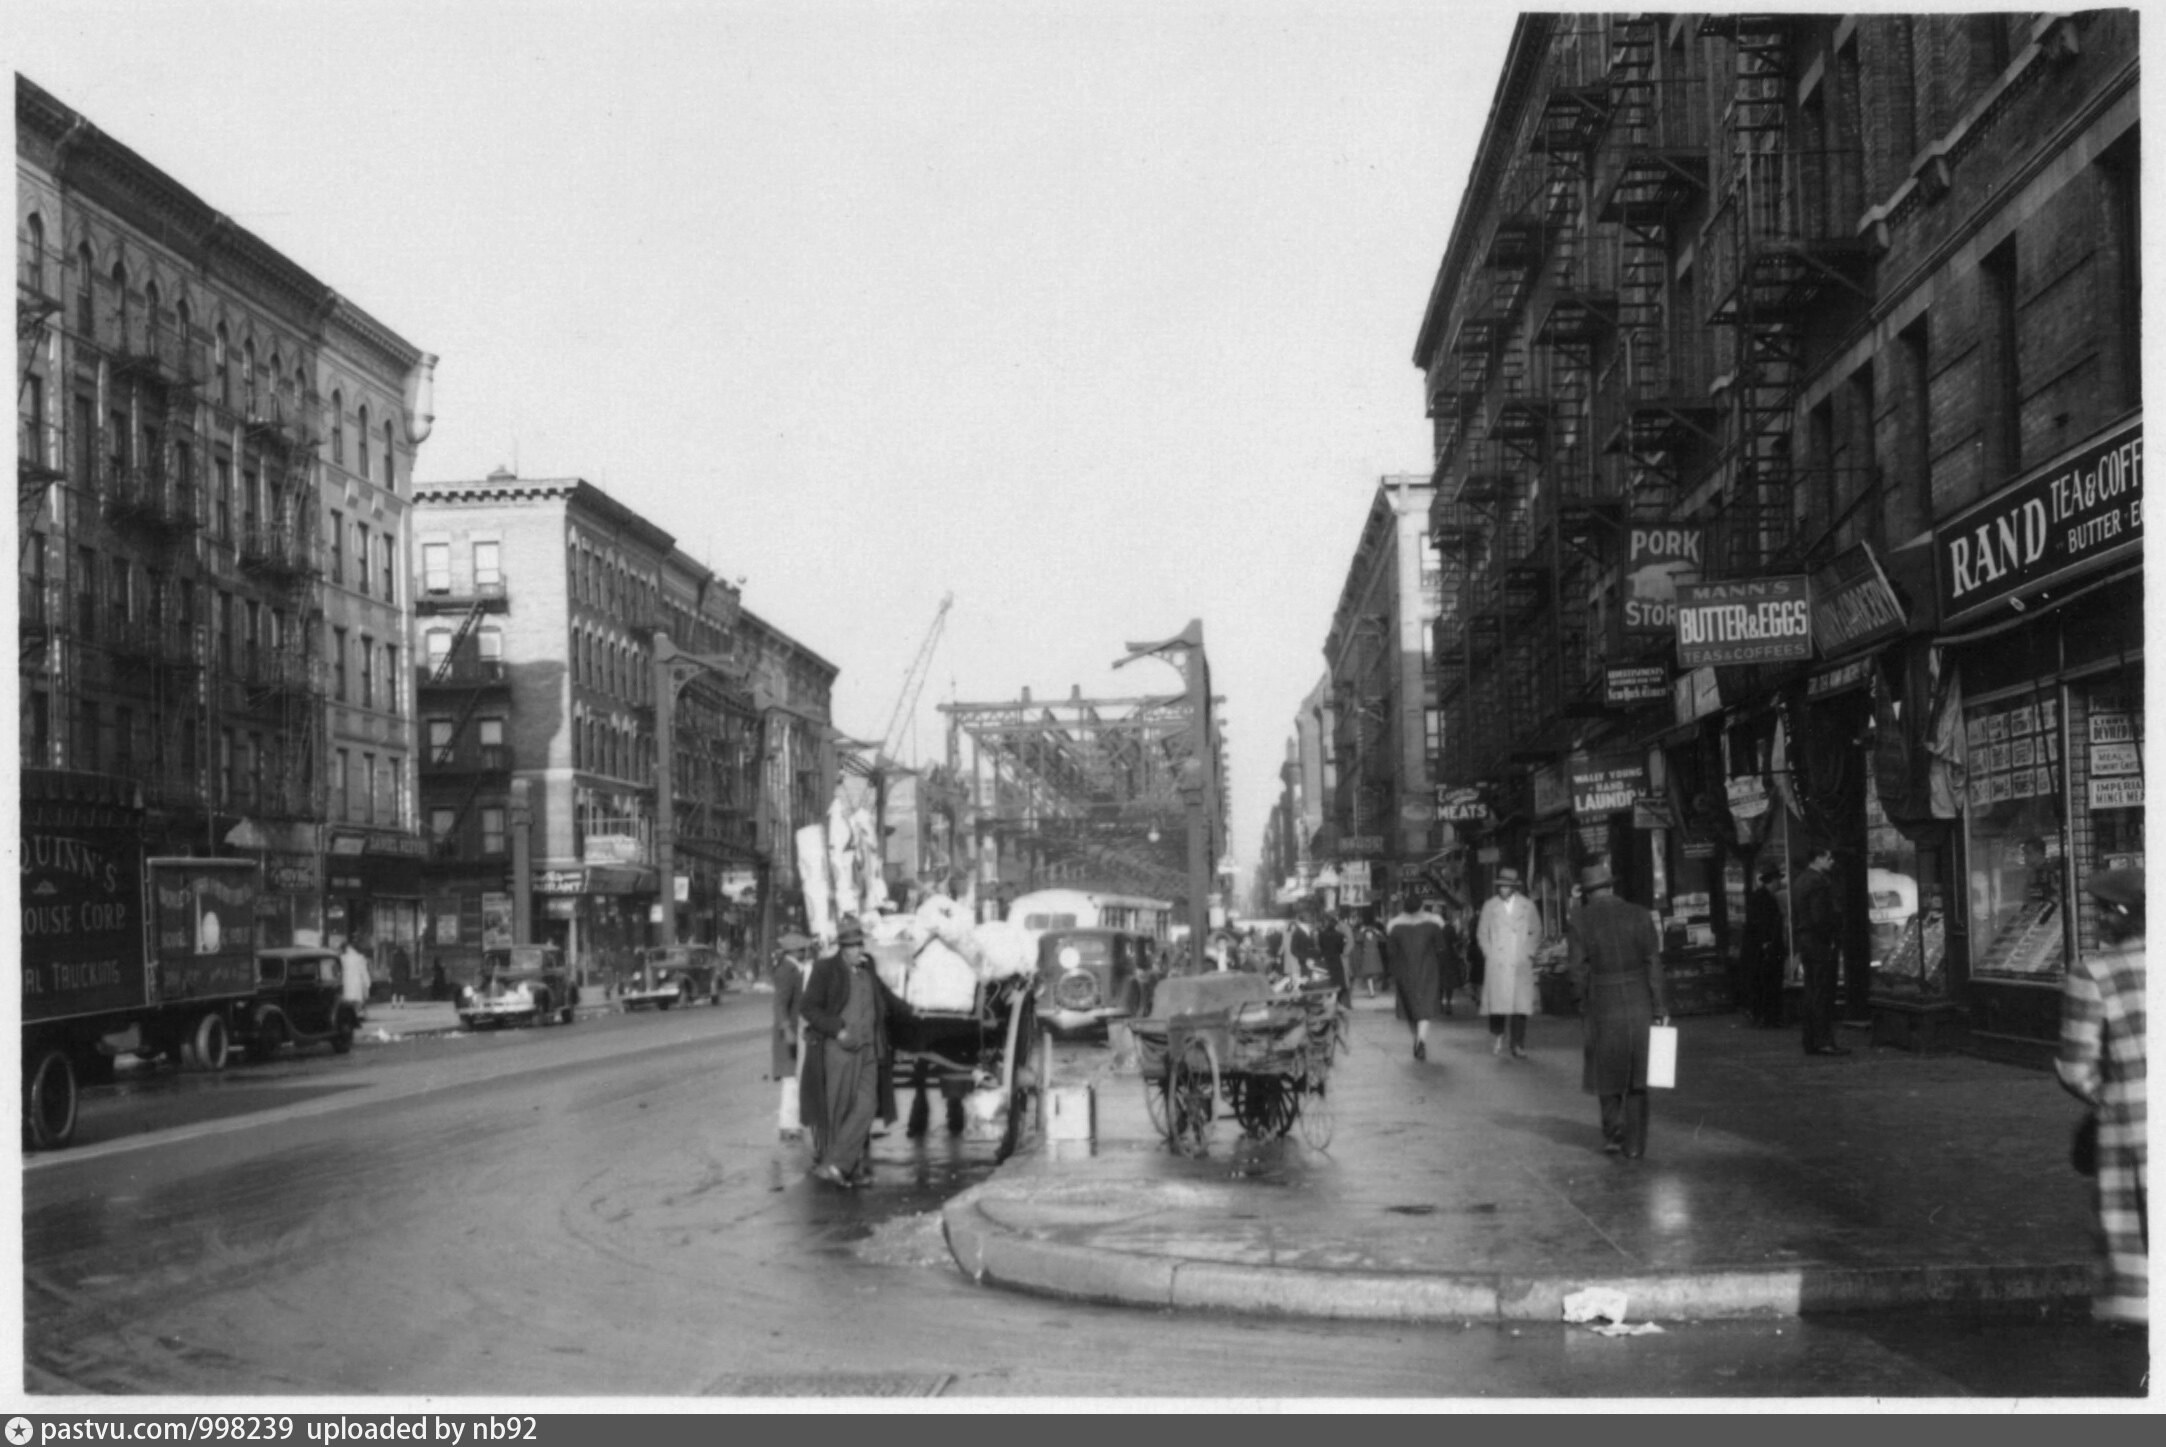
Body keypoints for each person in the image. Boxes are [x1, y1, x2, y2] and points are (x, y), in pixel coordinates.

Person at [2055, 868, 2146, 1326]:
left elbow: (2075, 1069)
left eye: (2104, 910)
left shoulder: (2094, 973)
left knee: (2137, 1241)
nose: (2099, 919)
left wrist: (2114, 1095)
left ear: (2123, 914)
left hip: (2133, 1129)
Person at [1567, 862, 1669, 1159]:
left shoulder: (1580, 920)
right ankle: (1635, 1144)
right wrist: (1660, 1006)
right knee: (1639, 1074)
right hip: (1639, 1000)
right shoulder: (1640, 914)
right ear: (1611, 886)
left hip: (1602, 1001)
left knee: (1606, 1070)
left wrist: (1581, 1002)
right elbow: (1654, 964)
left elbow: (1576, 970)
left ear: (1588, 893)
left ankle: (1614, 1133)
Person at [798, 918, 906, 1188]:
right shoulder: (825, 969)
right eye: (852, 946)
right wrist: (837, 1030)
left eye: (860, 944)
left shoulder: (868, 968)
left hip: (869, 1050)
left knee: (867, 1106)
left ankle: (837, 1164)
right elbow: (808, 1007)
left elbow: (885, 996)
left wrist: (913, 1011)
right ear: (842, 948)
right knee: (839, 1109)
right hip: (840, 1050)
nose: (859, 949)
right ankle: (844, 1166)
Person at [1477, 868, 1541, 1059]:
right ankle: (1498, 1035)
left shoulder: (1527, 906)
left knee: (1519, 1006)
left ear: (1514, 888)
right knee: (1498, 1004)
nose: (1502, 889)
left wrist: (1528, 952)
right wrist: (1489, 953)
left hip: (1519, 961)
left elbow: (1536, 931)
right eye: (1500, 886)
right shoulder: (1490, 906)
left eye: (1506, 886)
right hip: (1498, 961)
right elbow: (1482, 933)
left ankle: (1518, 1044)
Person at [1791, 844, 1847, 1055]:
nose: (1832, 862)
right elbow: (1819, 916)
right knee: (1823, 991)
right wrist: (1830, 938)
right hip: (1819, 941)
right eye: (1828, 858)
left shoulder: (1801, 880)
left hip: (1807, 939)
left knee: (1812, 989)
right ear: (1817, 859)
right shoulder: (1817, 882)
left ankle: (1811, 1039)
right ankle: (1823, 1040)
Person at [1385, 893, 1453, 1062]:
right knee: (1425, 1006)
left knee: (1411, 1008)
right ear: (1421, 907)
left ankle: (1416, 1037)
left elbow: (1390, 952)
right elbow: (1441, 948)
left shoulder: (1395, 927)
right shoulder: (1432, 925)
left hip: (1405, 972)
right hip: (1428, 971)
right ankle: (1421, 1040)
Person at [1738, 862, 1789, 1028]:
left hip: (1760, 949)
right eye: (1778, 879)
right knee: (1769, 983)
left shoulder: (1760, 897)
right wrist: (1767, 943)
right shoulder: (1765, 899)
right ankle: (1768, 1017)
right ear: (1773, 880)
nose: (1780, 883)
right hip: (1765, 950)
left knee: (1763, 983)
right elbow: (1764, 925)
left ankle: (1763, 1015)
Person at [1350, 910, 1388, 998]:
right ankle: (1372, 992)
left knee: (1377, 974)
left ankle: (1375, 988)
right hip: (1367, 956)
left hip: (1375, 956)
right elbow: (1357, 939)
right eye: (1367, 933)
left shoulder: (1376, 936)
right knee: (1369, 975)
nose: (1369, 934)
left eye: (1370, 933)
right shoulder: (1363, 937)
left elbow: (1384, 940)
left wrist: (1379, 932)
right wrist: (1361, 931)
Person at [1281, 908, 1320, 987]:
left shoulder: (1308, 930)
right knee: (1303, 982)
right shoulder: (1297, 932)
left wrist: (1313, 956)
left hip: (1310, 961)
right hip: (1303, 962)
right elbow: (1293, 950)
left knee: (1308, 981)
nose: (1310, 919)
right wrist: (1305, 959)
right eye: (1308, 917)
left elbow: (1311, 946)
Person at [1317, 910, 1349, 1001]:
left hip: (1326, 959)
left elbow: (1321, 947)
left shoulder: (1321, 934)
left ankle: (1328, 997)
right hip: (1336, 959)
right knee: (1338, 979)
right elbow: (1341, 949)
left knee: (1328, 978)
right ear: (1335, 925)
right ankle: (1338, 998)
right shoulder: (1339, 935)